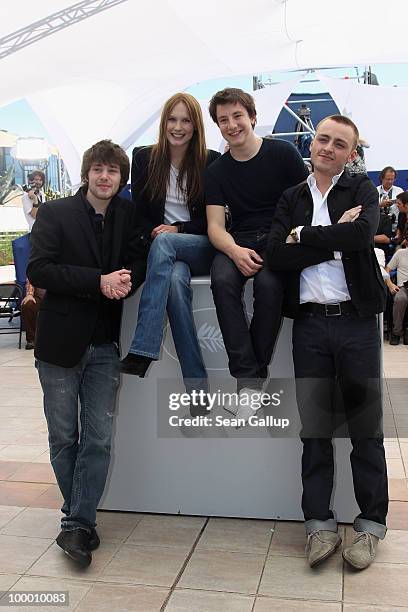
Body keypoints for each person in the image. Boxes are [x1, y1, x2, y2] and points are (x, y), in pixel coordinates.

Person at [267, 115, 388, 570]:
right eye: (323, 139)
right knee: (316, 429)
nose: (329, 148)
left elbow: (361, 235)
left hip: (356, 324)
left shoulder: (362, 191)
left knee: (365, 428)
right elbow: (276, 252)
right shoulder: (292, 197)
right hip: (311, 328)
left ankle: (370, 526)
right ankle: (319, 524)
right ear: (311, 142)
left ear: (351, 154)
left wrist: (307, 236)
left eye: (340, 144)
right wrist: (333, 239)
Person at [27, 140, 146, 568]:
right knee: (64, 438)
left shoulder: (128, 216)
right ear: (86, 172)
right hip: (59, 346)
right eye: (98, 169)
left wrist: (124, 280)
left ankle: (76, 523)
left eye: (113, 171)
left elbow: (139, 261)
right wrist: (98, 281)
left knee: (97, 439)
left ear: (121, 177)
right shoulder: (56, 214)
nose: (104, 177)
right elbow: (39, 270)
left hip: (103, 346)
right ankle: (79, 522)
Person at [205, 88, 308, 419]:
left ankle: (250, 383)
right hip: (241, 238)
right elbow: (215, 227)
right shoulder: (217, 171)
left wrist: (292, 240)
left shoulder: (283, 153)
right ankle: (248, 379)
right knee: (221, 280)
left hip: (280, 237)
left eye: (237, 116)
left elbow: (308, 204)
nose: (232, 125)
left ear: (252, 117)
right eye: (223, 120)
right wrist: (235, 252)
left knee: (268, 286)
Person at [120, 93, 220, 409]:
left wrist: (178, 230)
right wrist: (158, 233)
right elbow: (141, 213)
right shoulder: (144, 158)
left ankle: (143, 346)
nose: (178, 127)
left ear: (195, 126)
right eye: (172, 119)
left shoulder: (211, 160)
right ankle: (198, 390)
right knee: (176, 284)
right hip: (165, 253)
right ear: (164, 123)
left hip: (201, 244)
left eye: (186, 120)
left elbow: (214, 220)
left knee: (166, 243)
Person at [20, 279, 45, 349]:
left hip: (57, 297)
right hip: (39, 297)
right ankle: (31, 340)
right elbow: (31, 279)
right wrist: (29, 294)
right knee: (28, 304)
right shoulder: (37, 268)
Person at [377, 166, 403, 232]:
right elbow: (368, 208)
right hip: (378, 227)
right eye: (388, 179)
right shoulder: (375, 191)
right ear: (382, 178)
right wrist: (380, 205)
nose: (390, 182)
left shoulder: (399, 191)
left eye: (392, 179)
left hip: (395, 228)